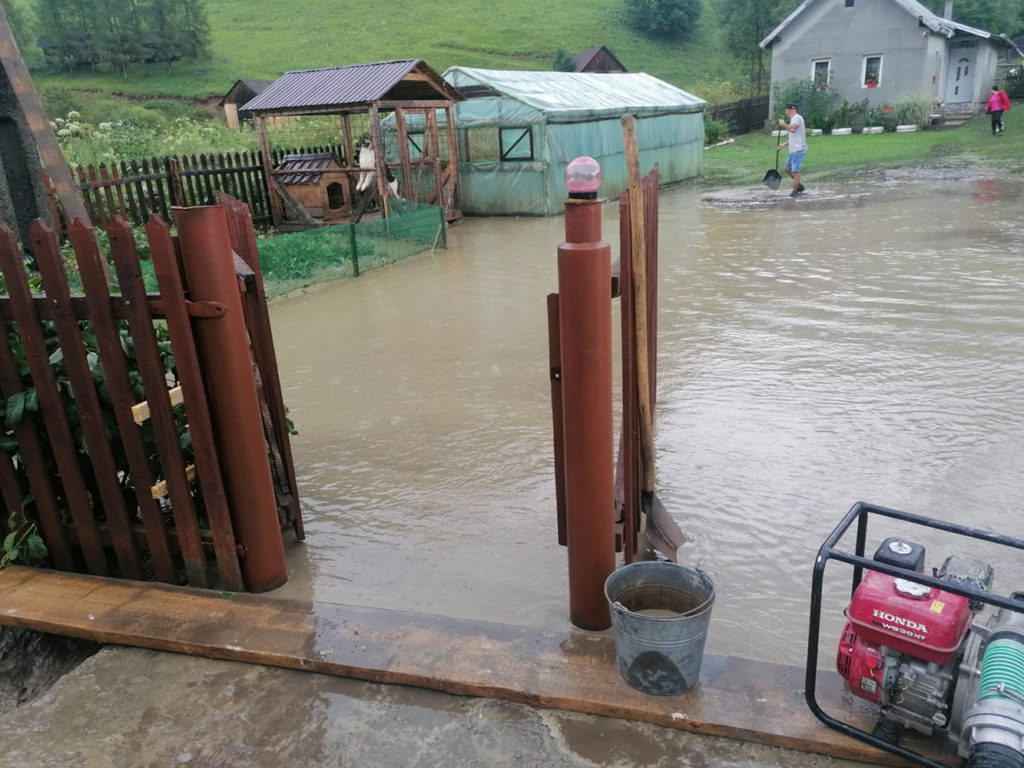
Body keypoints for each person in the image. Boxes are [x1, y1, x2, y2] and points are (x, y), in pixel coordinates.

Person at [777, 103, 807, 196]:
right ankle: (799, 186)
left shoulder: (797, 118)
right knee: (787, 169)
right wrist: (784, 144)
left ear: (789, 110)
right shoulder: (793, 119)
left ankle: (795, 192)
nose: (785, 112)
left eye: (786, 110)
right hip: (793, 150)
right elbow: (794, 136)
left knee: (795, 171)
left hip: (798, 150)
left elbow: (792, 129)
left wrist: (783, 124)